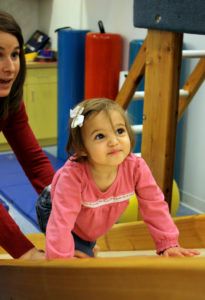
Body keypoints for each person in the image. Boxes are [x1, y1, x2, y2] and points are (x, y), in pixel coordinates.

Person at [44, 98, 200, 259]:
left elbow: (154, 205)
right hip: (53, 208)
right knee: (79, 259)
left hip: (88, 218)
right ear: (82, 149)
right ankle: (85, 245)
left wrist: (168, 243)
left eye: (119, 131)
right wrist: (60, 261)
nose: (114, 141)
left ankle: (87, 244)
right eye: (100, 136)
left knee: (86, 244)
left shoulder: (136, 167)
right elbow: (61, 223)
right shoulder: (73, 177)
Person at [0, 10, 55, 259]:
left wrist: (71, 218)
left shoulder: (10, 102)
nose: (9, 67)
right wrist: (26, 252)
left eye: (15, 54)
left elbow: (35, 163)